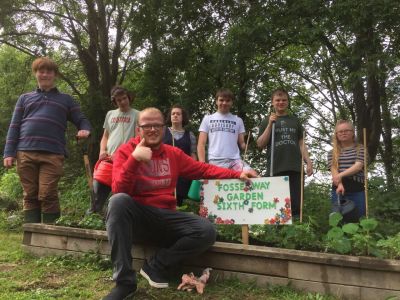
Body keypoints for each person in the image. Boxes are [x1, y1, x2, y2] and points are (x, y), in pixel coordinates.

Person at [104, 107, 255, 300]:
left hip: (166, 219)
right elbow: (119, 189)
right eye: (146, 125)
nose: (152, 129)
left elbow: (203, 169)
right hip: (139, 219)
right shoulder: (126, 151)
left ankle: (156, 266)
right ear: (138, 130)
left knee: (206, 230)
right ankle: (125, 283)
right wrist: (134, 160)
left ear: (164, 128)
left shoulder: (173, 154)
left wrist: (237, 174)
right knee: (118, 201)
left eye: (157, 125)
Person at [3, 57, 91, 224]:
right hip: (25, 152)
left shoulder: (66, 99)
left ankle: (51, 236)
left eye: (49, 71)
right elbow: (14, 126)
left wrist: (85, 129)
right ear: (36, 74)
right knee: (29, 194)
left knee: (48, 193)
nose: (45, 74)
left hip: (53, 153)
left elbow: (82, 119)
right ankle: (31, 237)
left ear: (55, 75)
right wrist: (9, 152)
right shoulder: (24, 98)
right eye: (41, 71)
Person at [257, 88, 312, 217]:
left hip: (295, 167)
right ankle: (277, 233)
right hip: (275, 167)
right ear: (272, 102)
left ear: (287, 102)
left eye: (284, 100)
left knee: (296, 204)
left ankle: (296, 233)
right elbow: (260, 144)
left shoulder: (295, 120)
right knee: (277, 204)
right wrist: (270, 124)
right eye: (278, 100)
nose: (281, 102)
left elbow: (301, 143)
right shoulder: (266, 120)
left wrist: (308, 162)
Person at [88, 86, 140, 214]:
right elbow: (105, 136)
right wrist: (101, 150)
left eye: (124, 98)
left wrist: (124, 154)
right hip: (108, 160)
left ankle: (114, 221)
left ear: (129, 97)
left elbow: (139, 139)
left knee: (120, 196)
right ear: (114, 101)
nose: (123, 102)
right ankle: (91, 219)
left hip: (126, 161)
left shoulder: (138, 114)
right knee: (96, 195)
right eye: (119, 100)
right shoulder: (110, 114)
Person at [197, 88, 256, 175]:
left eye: (228, 100)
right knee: (217, 186)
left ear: (232, 102)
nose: (224, 103)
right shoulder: (208, 119)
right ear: (216, 101)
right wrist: (202, 164)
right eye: (221, 100)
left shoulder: (238, 120)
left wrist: (249, 142)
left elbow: (243, 144)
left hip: (234, 160)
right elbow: (201, 144)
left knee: (253, 175)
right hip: (215, 161)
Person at [327, 120, 366, 218]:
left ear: (352, 132)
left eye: (347, 130)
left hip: (357, 189)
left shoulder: (361, 149)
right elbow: (333, 170)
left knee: (359, 218)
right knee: (338, 220)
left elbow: (358, 166)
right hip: (338, 189)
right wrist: (339, 184)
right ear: (336, 134)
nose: (343, 133)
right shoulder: (332, 152)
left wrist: (340, 175)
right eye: (340, 131)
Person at [163, 104, 197, 206]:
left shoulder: (190, 135)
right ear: (170, 116)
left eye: (178, 114)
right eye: (173, 114)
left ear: (183, 117)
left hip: (183, 174)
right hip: (165, 172)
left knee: (178, 201)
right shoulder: (163, 131)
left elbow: (193, 154)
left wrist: (194, 170)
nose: (175, 115)